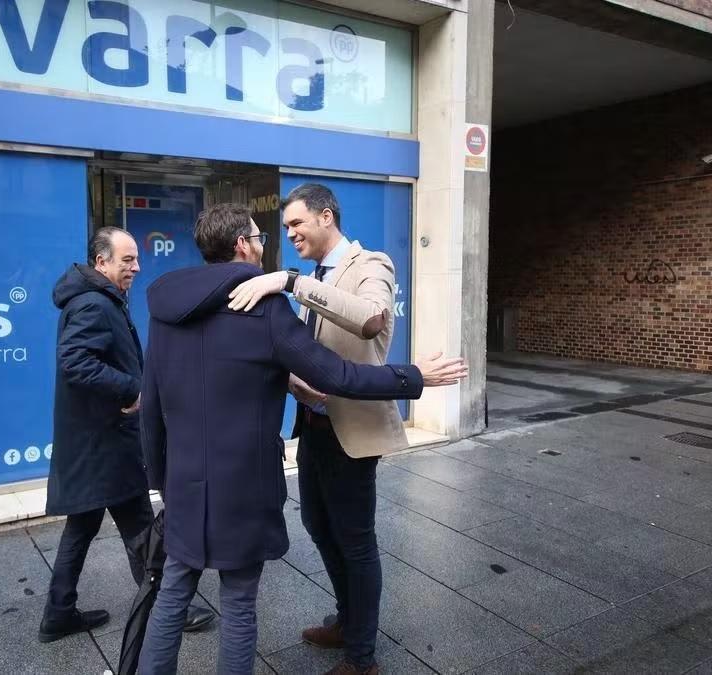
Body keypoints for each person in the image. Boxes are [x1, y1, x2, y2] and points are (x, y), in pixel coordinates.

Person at [137, 204, 467, 674]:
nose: (270, 241)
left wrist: (162, 480)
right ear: (242, 246)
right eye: (262, 236)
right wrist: (415, 377)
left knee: (172, 593)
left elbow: (152, 406)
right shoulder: (265, 307)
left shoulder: (164, 308)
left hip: (185, 482)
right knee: (237, 605)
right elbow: (339, 375)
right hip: (246, 487)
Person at [227, 182, 416, 674]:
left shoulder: (371, 265)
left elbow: (370, 319)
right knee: (317, 523)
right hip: (312, 423)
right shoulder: (318, 273)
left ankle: (362, 656)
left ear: (326, 216)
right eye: (285, 227)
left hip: (352, 429)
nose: (289, 233)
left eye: (296, 224)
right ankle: (348, 620)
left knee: (355, 539)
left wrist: (289, 282)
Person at [40, 227, 213, 643]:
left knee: (83, 527)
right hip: (106, 443)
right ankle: (165, 607)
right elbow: (75, 362)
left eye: (135, 259)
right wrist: (131, 388)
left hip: (94, 442)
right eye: (126, 260)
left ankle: (58, 613)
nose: (136, 267)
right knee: (138, 525)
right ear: (101, 262)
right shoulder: (94, 305)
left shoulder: (98, 299)